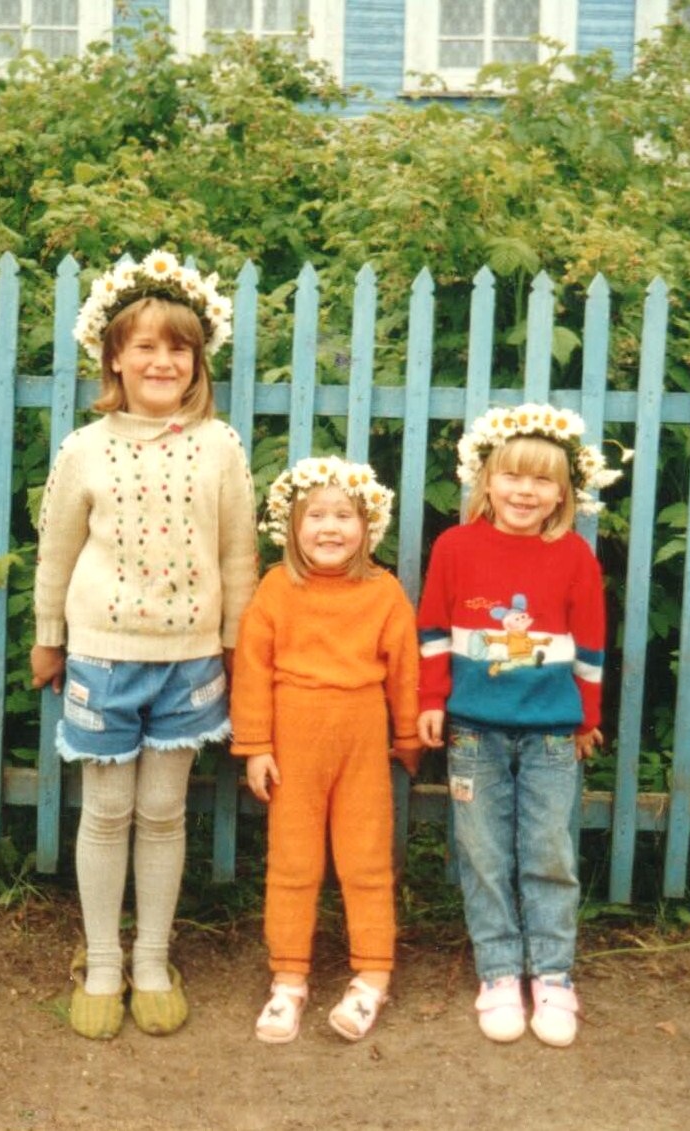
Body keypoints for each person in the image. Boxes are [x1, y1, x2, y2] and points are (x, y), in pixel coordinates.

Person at [31, 249, 258, 1040]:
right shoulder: (84, 448)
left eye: (179, 348)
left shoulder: (220, 445)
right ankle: (102, 960)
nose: (163, 361)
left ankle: (153, 958)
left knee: (162, 813)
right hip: (101, 659)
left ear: (198, 360)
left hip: (188, 664)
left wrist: (234, 644)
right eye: (146, 346)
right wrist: (49, 637)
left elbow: (238, 553)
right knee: (105, 811)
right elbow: (56, 551)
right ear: (114, 358)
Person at [415, 404, 624, 1048]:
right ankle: (500, 972)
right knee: (482, 854)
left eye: (542, 480)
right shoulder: (454, 548)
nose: (525, 492)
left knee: (549, 852)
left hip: (552, 734)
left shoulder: (575, 556)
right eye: (512, 476)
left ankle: (553, 974)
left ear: (564, 493)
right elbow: (433, 631)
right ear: (486, 480)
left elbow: (591, 646)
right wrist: (432, 699)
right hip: (473, 731)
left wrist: (587, 719)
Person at [229, 457, 421, 1044]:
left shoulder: (383, 592)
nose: (330, 528)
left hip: (361, 739)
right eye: (316, 516)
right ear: (292, 525)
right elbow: (252, 669)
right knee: (293, 862)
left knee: (366, 860)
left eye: (344, 516)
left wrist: (407, 736)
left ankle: (372, 977)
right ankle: (288, 980)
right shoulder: (276, 588)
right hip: (293, 741)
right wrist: (256, 745)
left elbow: (405, 669)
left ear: (368, 526)